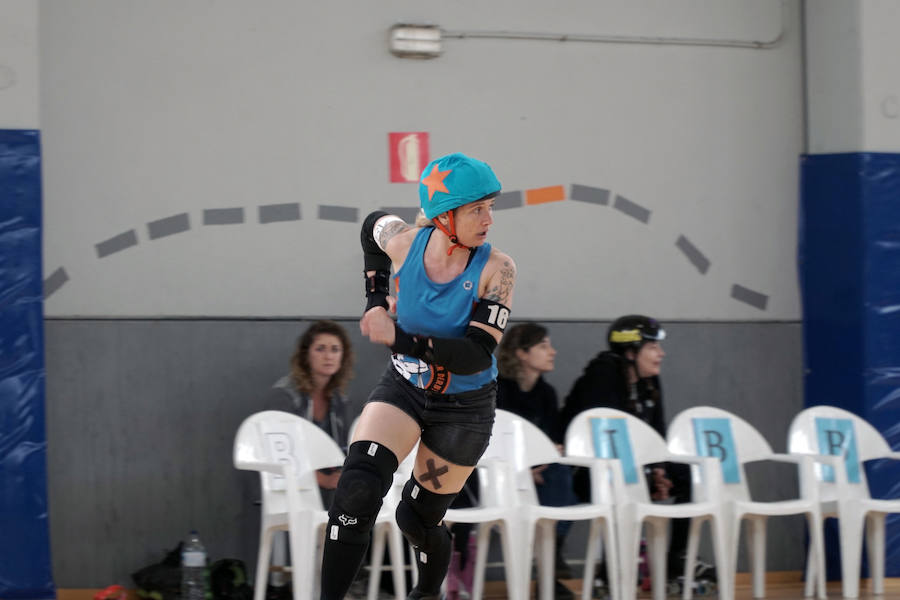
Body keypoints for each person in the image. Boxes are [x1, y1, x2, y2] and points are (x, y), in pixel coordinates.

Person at [319, 152, 517, 600]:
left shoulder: (497, 268)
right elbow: (372, 224)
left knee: (416, 518)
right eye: (476, 209)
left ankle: (426, 594)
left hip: (463, 410)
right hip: (406, 390)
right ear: (444, 216)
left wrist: (401, 338)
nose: (489, 219)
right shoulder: (405, 242)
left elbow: (474, 352)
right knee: (356, 491)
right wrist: (374, 298)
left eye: (490, 207)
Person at [560, 315, 700, 589]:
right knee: (628, 480)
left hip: (632, 466)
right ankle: (611, 568)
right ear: (631, 351)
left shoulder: (650, 380)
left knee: (688, 476)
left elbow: (656, 432)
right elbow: (606, 441)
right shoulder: (602, 376)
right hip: (589, 470)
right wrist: (648, 473)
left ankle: (676, 562)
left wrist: (658, 469)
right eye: (653, 348)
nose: (661, 354)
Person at [495, 322, 577, 599]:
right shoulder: (497, 390)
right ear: (521, 353)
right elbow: (491, 441)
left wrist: (543, 458)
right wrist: (522, 469)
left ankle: (550, 561)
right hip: (499, 473)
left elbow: (552, 441)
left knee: (561, 471)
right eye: (543, 346)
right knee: (553, 475)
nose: (552, 352)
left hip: (539, 472)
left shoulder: (547, 394)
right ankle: (549, 565)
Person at [262, 320, 355, 506]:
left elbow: (343, 450)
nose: (328, 356)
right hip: (290, 484)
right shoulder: (285, 395)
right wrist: (324, 480)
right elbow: (281, 456)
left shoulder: (338, 400)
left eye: (335, 349)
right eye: (320, 349)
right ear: (306, 355)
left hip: (329, 486)